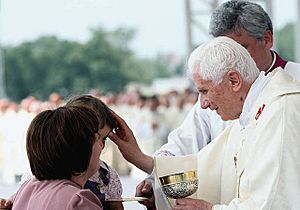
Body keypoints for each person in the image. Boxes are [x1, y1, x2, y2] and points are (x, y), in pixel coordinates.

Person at [135, 0, 300, 208]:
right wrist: (155, 179)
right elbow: (193, 152)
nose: (230, 56)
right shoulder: (215, 92)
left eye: (239, 48)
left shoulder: (286, 98)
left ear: (266, 39)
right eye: (222, 48)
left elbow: (276, 196)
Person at [0, 95, 124, 210]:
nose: (102, 145)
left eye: (103, 138)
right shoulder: (78, 201)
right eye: (96, 138)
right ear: (78, 149)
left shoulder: (28, 187)